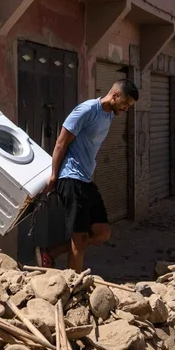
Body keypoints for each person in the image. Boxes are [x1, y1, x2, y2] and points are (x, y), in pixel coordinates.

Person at [34, 78, 138, 271]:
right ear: (115, 95)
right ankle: (74, 284)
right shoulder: (87, 110)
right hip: (71, 178)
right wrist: (54, 175)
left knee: (102, 232)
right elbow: (61, 143)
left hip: (85, 180)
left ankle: (51, 253)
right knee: (79, 236)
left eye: (128, 106)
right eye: (125, 103)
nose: (125, 109)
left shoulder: (108, 115)